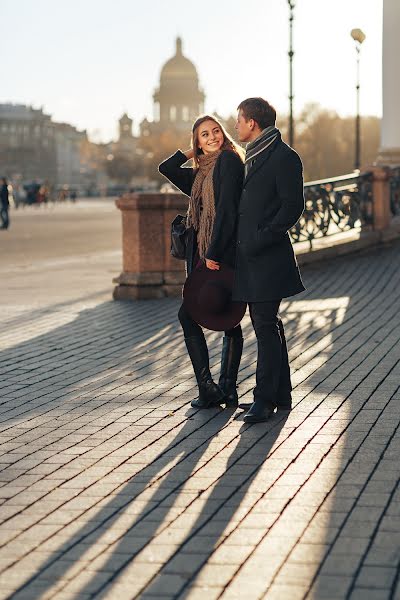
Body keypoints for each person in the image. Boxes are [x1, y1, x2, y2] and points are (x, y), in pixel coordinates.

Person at [159, 115, 245, 409]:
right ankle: (217, 389)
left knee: (225, 317)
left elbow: (227, 213)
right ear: (196, 141)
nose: (212, 137)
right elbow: (166, 168)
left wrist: (214, 254)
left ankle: (219, 388)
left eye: (216, 131)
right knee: (220, 317)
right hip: (203, 253)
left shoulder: (229, 162)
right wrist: (191, 152)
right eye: (204, 135)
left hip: (221, 254)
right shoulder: (199, 174)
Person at [233, 97, 305, 423]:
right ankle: (281, 395)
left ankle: (263, 400)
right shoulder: (251, 155)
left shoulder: (284, 157)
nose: (235, 126)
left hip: (268, 257)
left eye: (239, 120)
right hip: (252, 258)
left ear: (252, 122)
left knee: (264, 326)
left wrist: (260, 237)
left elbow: (293, 207)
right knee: (268, 324)